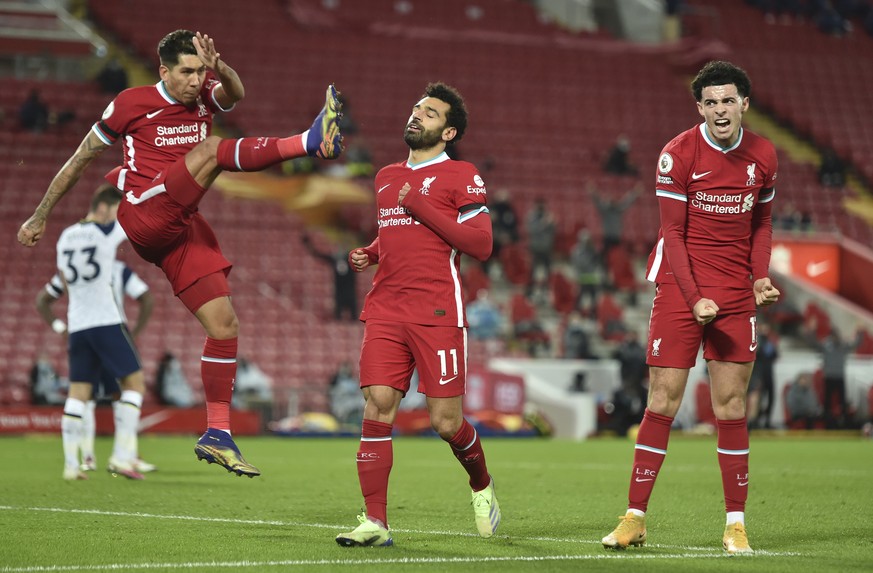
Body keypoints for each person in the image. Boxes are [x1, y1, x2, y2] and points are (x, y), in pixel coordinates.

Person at [17, 29, 344, 478]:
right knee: (212, 150)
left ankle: (218, 434)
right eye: (186, 72)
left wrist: (220, 68)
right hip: (143, 213)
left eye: (200, 71)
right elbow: (79, 159)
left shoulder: (206, 92)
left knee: (225, 325)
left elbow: (236, 93)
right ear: (164, 71)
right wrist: (39, 217)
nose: (195, 81)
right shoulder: (131, 102)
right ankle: (310, 143)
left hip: (181, 226)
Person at [601, 61, 780, 554]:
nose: (720, 110)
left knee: (732, 406)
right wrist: (694, 294)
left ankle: (735, 524)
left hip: (737, 292)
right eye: (710, 102)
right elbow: (672, 234)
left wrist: (759, 276)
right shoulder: (677, 153)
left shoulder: (764, 154)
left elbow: (761, 225)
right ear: (699, 107)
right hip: (682, 287)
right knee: (662, 400)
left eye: (729, 100)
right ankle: (635, 517)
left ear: (744, 102)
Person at [337, 82, 500, 547]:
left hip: (436, 311)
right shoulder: (386, 176)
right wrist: (370, 250)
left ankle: (481, 485)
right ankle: (376, 522)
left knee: (445, 423)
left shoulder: (461, 175)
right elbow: (395, 233)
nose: (417, 115)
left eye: (429, 114)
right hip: (386, 307)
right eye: (416, 108)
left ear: (448, 132)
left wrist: (421, 204)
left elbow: (482, 245)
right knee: (377, 406)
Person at [40, 185, 151, 481]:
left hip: (77, 324)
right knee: (135, 385)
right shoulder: (107, 231)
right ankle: (121, 457)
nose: (117, 217)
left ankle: (71, 466)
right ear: (103, 207)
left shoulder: (64, 237)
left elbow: (63, 280)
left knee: (78, 394)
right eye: (115, 211)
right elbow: (137, 226)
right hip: (105, 319)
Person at [302, 232, 358, 321]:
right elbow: (317, 255)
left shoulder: (352, 259)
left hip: (351, 293)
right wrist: (308, 245)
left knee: (354, 318)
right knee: (338, 318)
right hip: (339, 293)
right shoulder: (334, 259)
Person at [747, 320, 778, 429]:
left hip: (768, 374)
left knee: (769, 399)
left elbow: (775, 355)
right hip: (757, 374)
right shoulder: (755, 339)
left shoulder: (769, 341)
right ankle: (752, 422)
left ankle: (765, 422)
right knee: (756, 399)